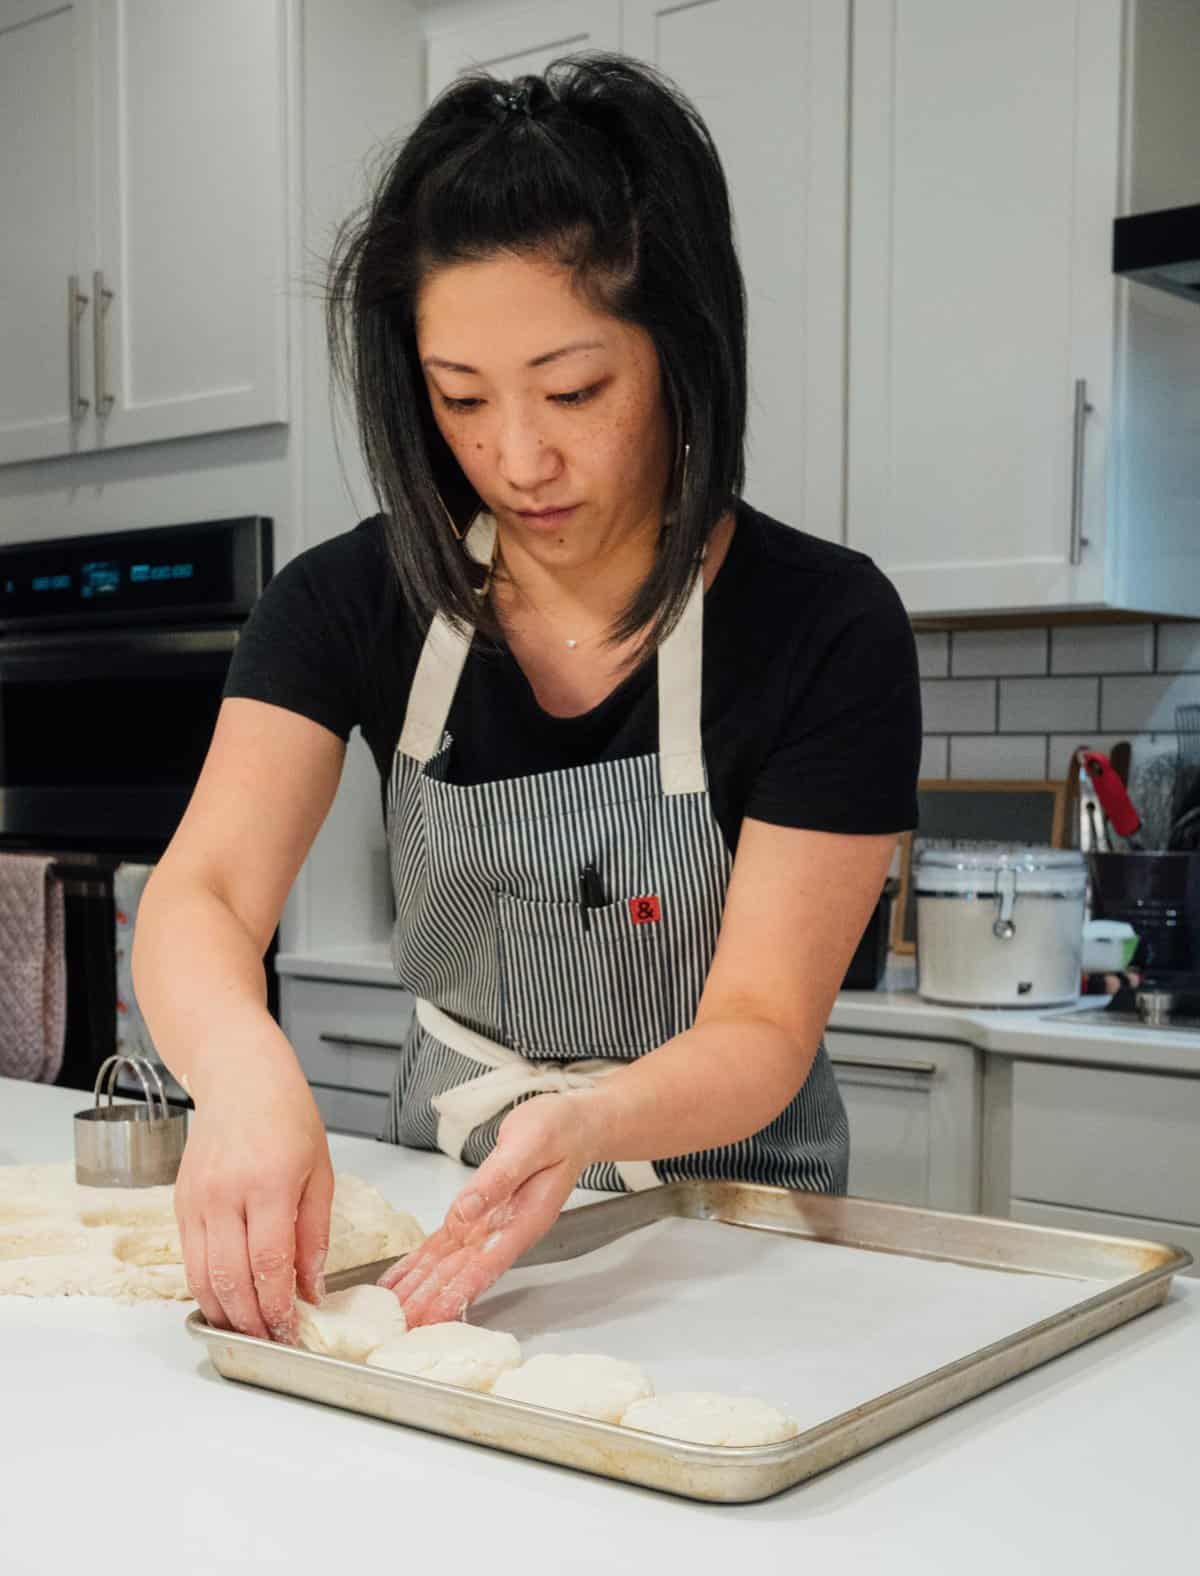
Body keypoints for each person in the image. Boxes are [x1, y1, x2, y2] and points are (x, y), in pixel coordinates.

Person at [132, 55, 920, 1344]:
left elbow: (765, 1025)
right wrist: (245, 1081)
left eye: (574, 391)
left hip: (738, 1233)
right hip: (440, 1203)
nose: (516, 457)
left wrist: (590, 1120)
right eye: (460, 400)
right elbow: (203, 893)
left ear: (680, 349)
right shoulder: (353, 598)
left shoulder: (823, 623)